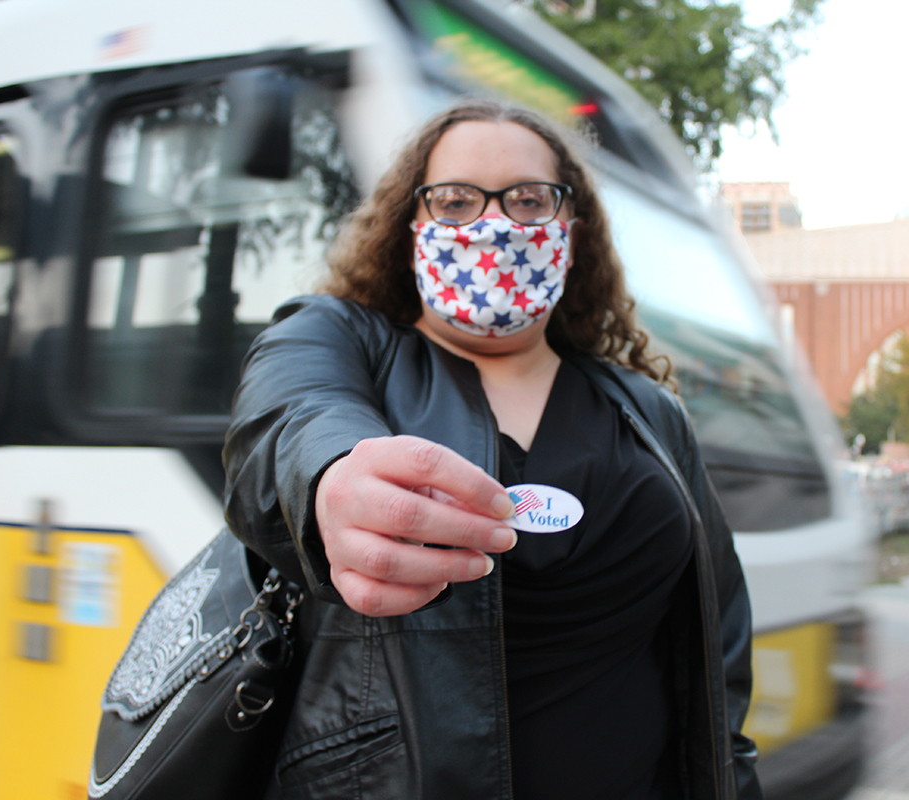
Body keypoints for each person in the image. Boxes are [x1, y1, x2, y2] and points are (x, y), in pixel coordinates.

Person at [222, 98, 761, 800]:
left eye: (529, 200)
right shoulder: (338, 339)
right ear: (414, 224)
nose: (495, 223)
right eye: (455, 202)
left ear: (568, 226)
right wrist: (330, 479)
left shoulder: (649, 412)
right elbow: (286, 419)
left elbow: (717, 647)